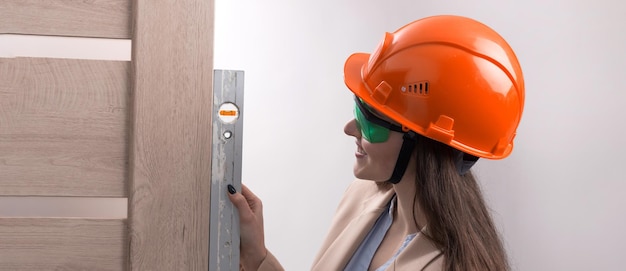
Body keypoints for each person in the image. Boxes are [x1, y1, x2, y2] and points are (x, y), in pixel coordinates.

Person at [228, 15, 524, 271]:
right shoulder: (363, 199)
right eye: (358, 109)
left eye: (369, 121)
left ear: (423, 143)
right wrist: (257, 256)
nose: (349, 128)